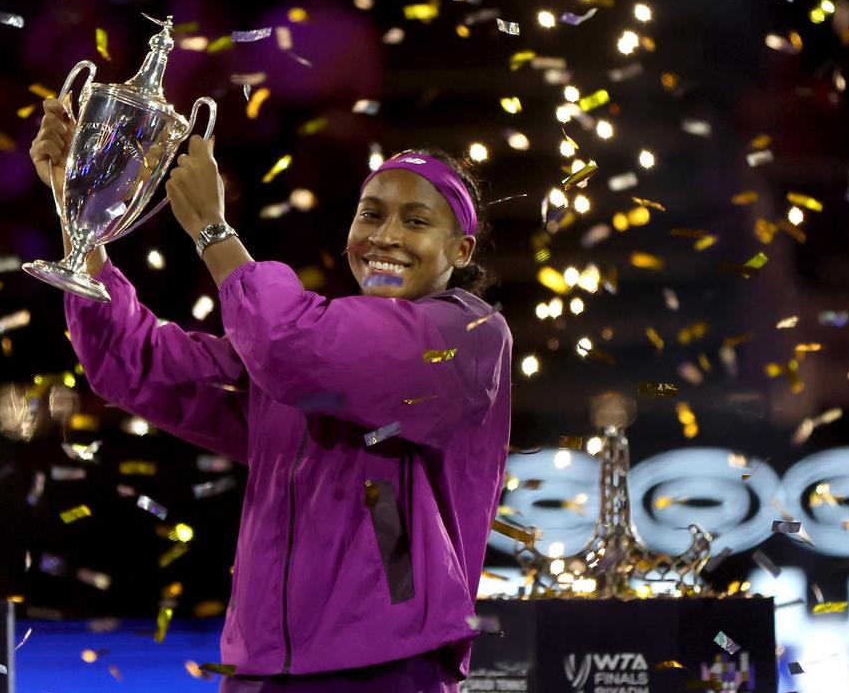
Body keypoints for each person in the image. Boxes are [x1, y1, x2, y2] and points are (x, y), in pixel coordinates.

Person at [30, 95, 512, 692]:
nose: (386, 237)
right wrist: (82, 220)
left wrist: (213, 232)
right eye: (370, 215)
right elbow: (139, 366)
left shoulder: (466, 336)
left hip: (384, 669)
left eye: (415, 221)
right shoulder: (307, 341)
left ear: (460, 251)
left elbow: (294, 349)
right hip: (260, 668)